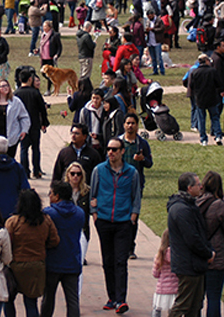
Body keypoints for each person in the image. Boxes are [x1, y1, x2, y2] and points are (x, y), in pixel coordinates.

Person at [91, 136, 142, 314]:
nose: (110, 152)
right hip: (104, 221)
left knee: (121, 261)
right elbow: (93, 194)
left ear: (122, 151)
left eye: (114, 149)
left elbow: (136, 197)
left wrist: (133, 217)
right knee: (107, 261)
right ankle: (111, 297)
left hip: (123, 223)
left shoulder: (131, 173)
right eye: (109, 149)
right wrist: (95, 215)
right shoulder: (99, 170)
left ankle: (121, 299)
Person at [6, 188, 60, 317]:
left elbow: (6, 243)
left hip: (16, 264)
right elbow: (54, 241)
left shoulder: (13, 221)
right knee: (31, 303)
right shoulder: (45, 220)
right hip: (36, 265)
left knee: (8, 300)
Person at [166, 172, 214, 317]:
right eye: (198, 184)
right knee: (184, 304)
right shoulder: (182, 210)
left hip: (194, 264)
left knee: (196, 304)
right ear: (189, 188)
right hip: (188, 264)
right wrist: (208, 253)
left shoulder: (188, 205)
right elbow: (192, 238)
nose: (201, 187)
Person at [196, 171, 224, 317]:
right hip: (216, 255)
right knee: (214, 298)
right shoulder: (219, 205)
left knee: (197, 298)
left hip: (198, 255)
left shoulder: (196, 202)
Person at [41, 180, 84, 317]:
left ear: (57, 196)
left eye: (51, 193)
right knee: (73, 300)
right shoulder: (79, 213)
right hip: (72, 261)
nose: (49, 196)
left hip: (52, 263)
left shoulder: (49, 214)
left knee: (48, 299)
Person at [119, 113, 152, 259]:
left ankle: (130, 248)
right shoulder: (118, 142)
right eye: (128, 123)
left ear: (137, 125)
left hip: (135, 185)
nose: (130, 125)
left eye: (133, 123)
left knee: (133, 217)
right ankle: (120, 246)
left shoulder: (142, 144)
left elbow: (150, 163)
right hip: (119, 184)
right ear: (124, 125)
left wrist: (142, 159)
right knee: (120, 216)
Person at [15, 69, 49, 179]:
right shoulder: (35, 93)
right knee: (36, 148)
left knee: (23, 148)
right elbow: (42, 109)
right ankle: (36, 170)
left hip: (21, 126)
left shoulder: (16, 94)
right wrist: (44, 122)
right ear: (30, 79)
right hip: (34, 124)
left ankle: (25, 171)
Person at [184, 54, 224, 145]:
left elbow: (191, 86)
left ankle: (203, 139)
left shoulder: (195, 72)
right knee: (215, 117)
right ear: (206, 61)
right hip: (212, 97)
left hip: (200, 98)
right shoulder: (213, 71)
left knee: (201, 119)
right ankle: (218, 136)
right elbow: (219, 84)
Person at [151, 230, 177, 317]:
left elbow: (155, 274)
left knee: (157, 308)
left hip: (162, 288)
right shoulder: (177, 255)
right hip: (175, 288)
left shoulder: (160, 255)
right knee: (173, 310)